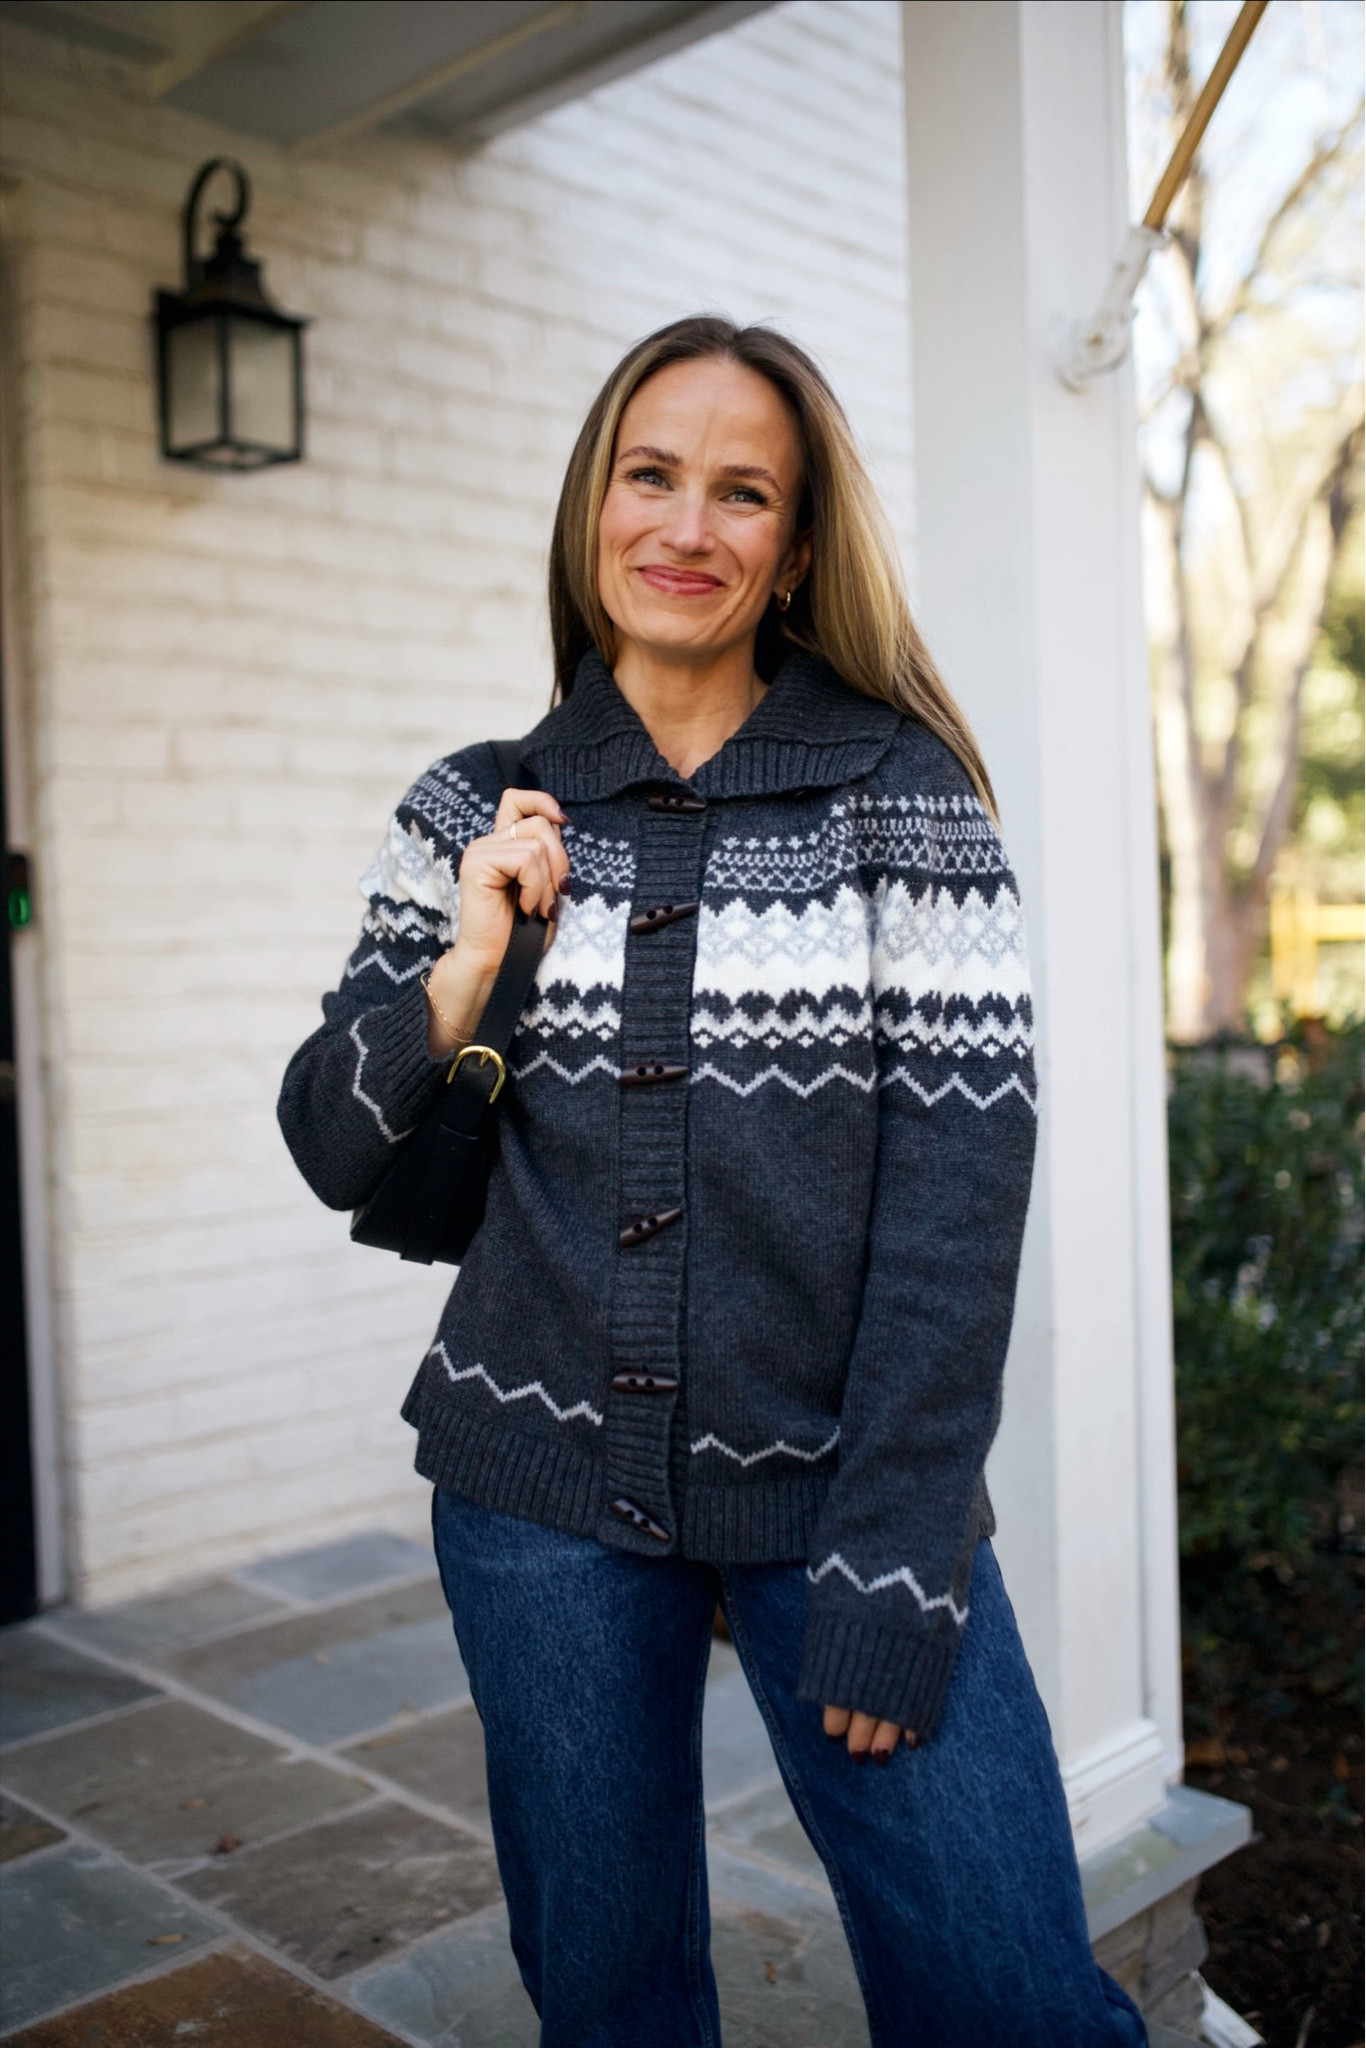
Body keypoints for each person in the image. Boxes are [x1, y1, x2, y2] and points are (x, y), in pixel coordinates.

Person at [279, 316, 1146, 2048]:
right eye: (650, 474)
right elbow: (329, 1138)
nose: (687, 525)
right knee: (609, 1998)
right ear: (591, 503)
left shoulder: (899, 800)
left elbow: (959, 1205)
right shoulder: (472, 803)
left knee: (1010, 1995)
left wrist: (901, 1559)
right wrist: (464, 959)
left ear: (795, 546)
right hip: (534, 1504)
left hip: (842, 1496)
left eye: (740, 491)